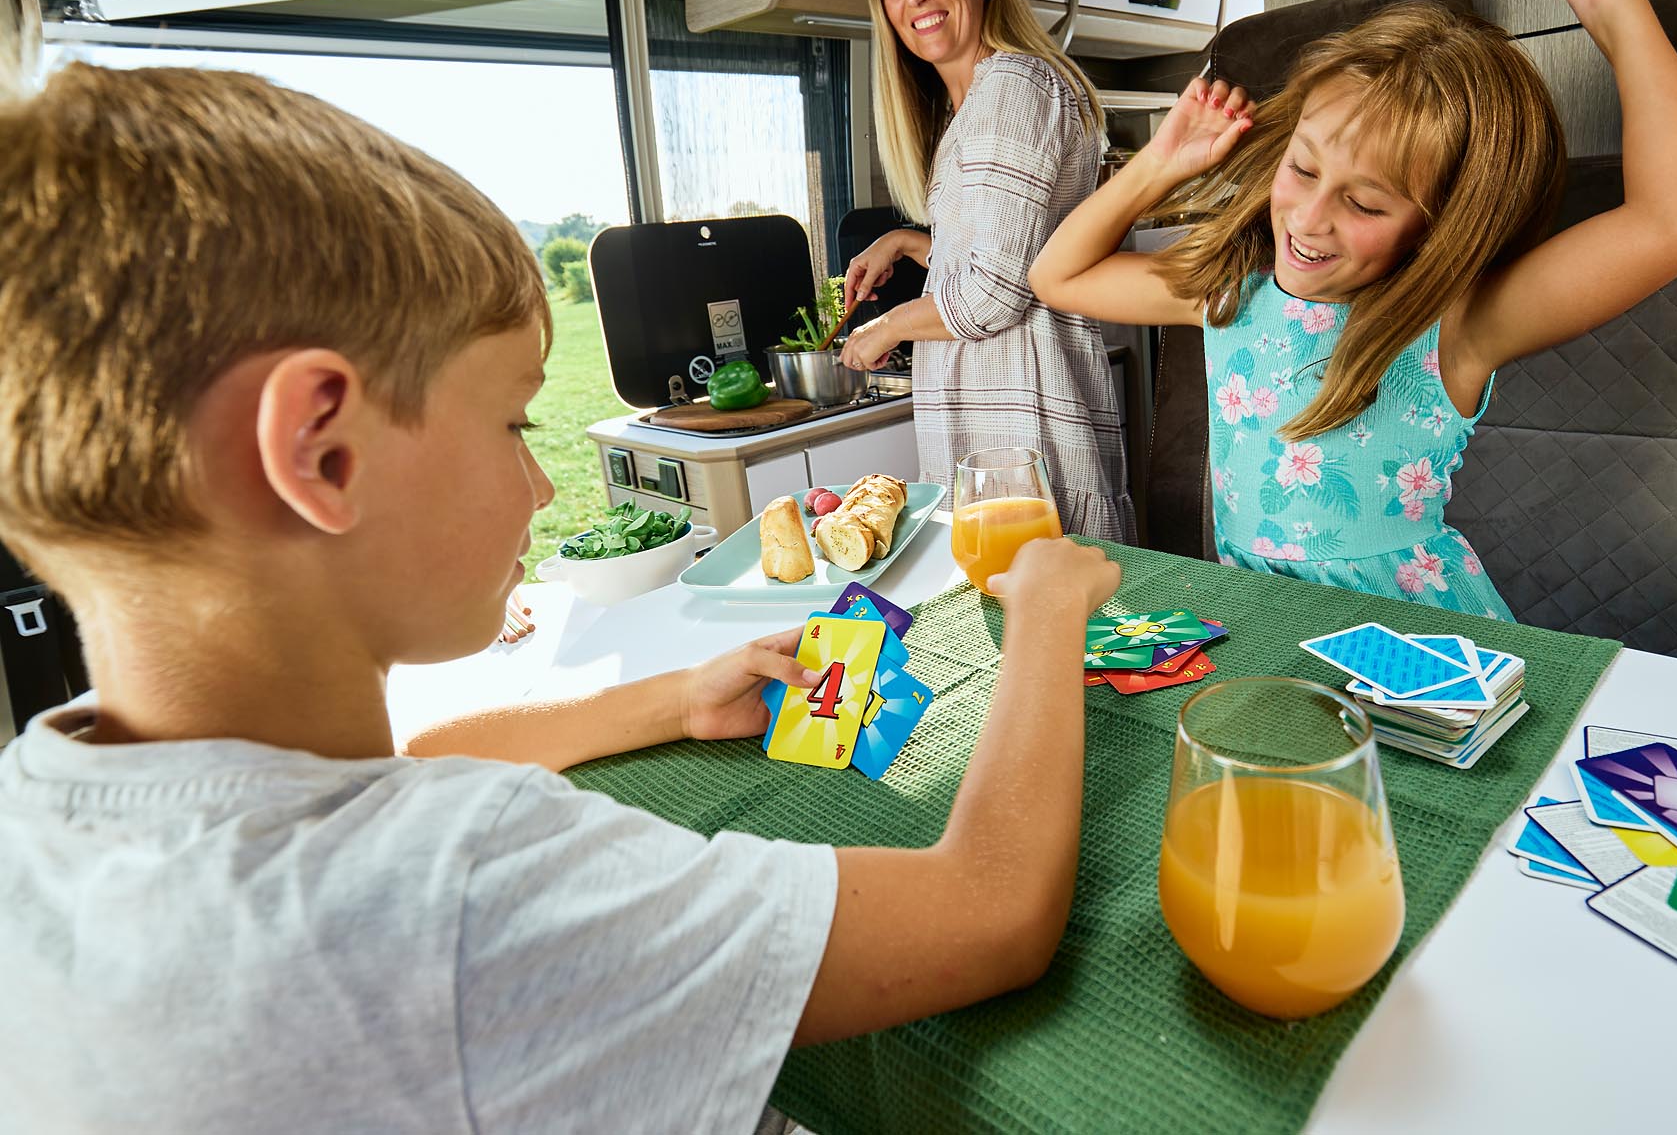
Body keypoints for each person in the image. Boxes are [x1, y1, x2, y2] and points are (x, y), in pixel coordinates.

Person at [0, 63, 1121, 1131]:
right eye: (512, 423)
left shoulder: (51, 802)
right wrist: (1042, 616)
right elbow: (989, 908)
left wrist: (673, 699)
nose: (541, 485)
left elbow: (419, 754)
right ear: (321, 450)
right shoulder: (463, 891)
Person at [1031, 0, 1677, 618]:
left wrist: (1621, 15)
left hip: (1417, 647)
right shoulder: (1229, 297)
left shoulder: (1460, 324)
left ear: (1439, 223)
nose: (1310, 219)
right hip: (1267, 628)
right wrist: (1158, 163)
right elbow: (1058, 277)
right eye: (1303, 169)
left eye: (1365, 204)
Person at [839, 0, 1135, 541]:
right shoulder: (975, 104)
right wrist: (907, 242)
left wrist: (887, 326)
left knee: (1053, 603)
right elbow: (1012, 255)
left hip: (1029, 436)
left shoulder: (1014, 86)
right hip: (1001, 439)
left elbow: (993, 295)